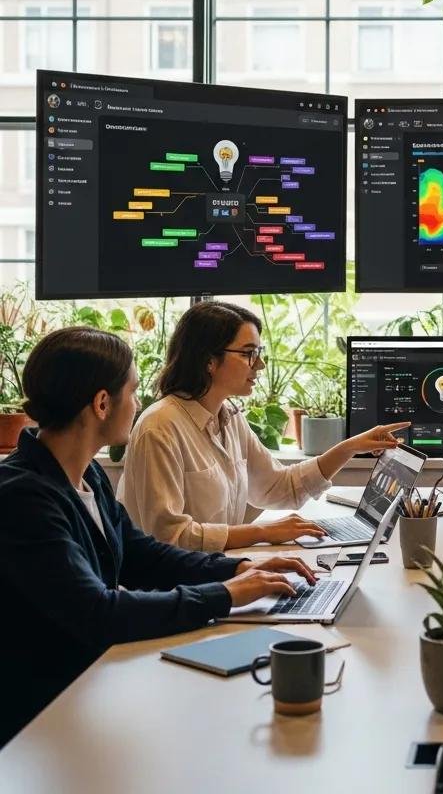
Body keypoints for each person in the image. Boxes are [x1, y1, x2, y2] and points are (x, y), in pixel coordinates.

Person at [0, 327, 318, 748]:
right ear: (101, 403)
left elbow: (140, 555)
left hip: (89, 683)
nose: (138, 404)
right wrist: (225, 594)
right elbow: (97, 612)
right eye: (132, 392)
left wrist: (240, 568)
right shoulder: (24, 497)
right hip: (43, 718)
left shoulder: (86, 474)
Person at [120, 301, 409, 551]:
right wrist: (261, 533)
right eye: (248, 353)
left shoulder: (230, 417)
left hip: (215, 576)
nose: (259, 365)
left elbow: (279, 487)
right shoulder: (159, 428)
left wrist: (351, 447)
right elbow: (169, 538)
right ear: (209, 361)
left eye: (259, 352)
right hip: (172, 594)